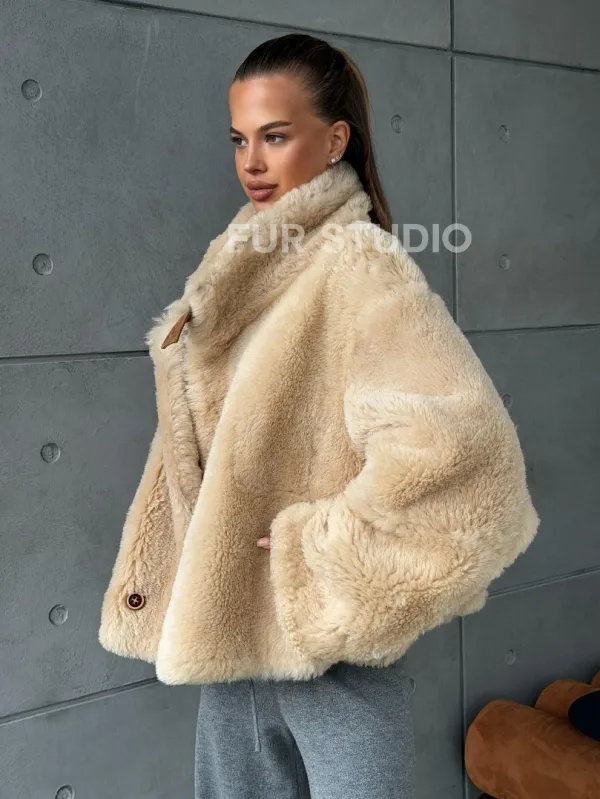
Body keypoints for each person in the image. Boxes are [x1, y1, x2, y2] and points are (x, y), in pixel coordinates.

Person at [98, 33, 540, 799]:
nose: (252, 162)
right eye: (240, 139)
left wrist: (320, 549)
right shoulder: (244, 268)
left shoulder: (359, 268)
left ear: (335, 140)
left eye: (275, 136)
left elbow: (471, 457)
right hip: (234, 655)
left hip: (330, 661)